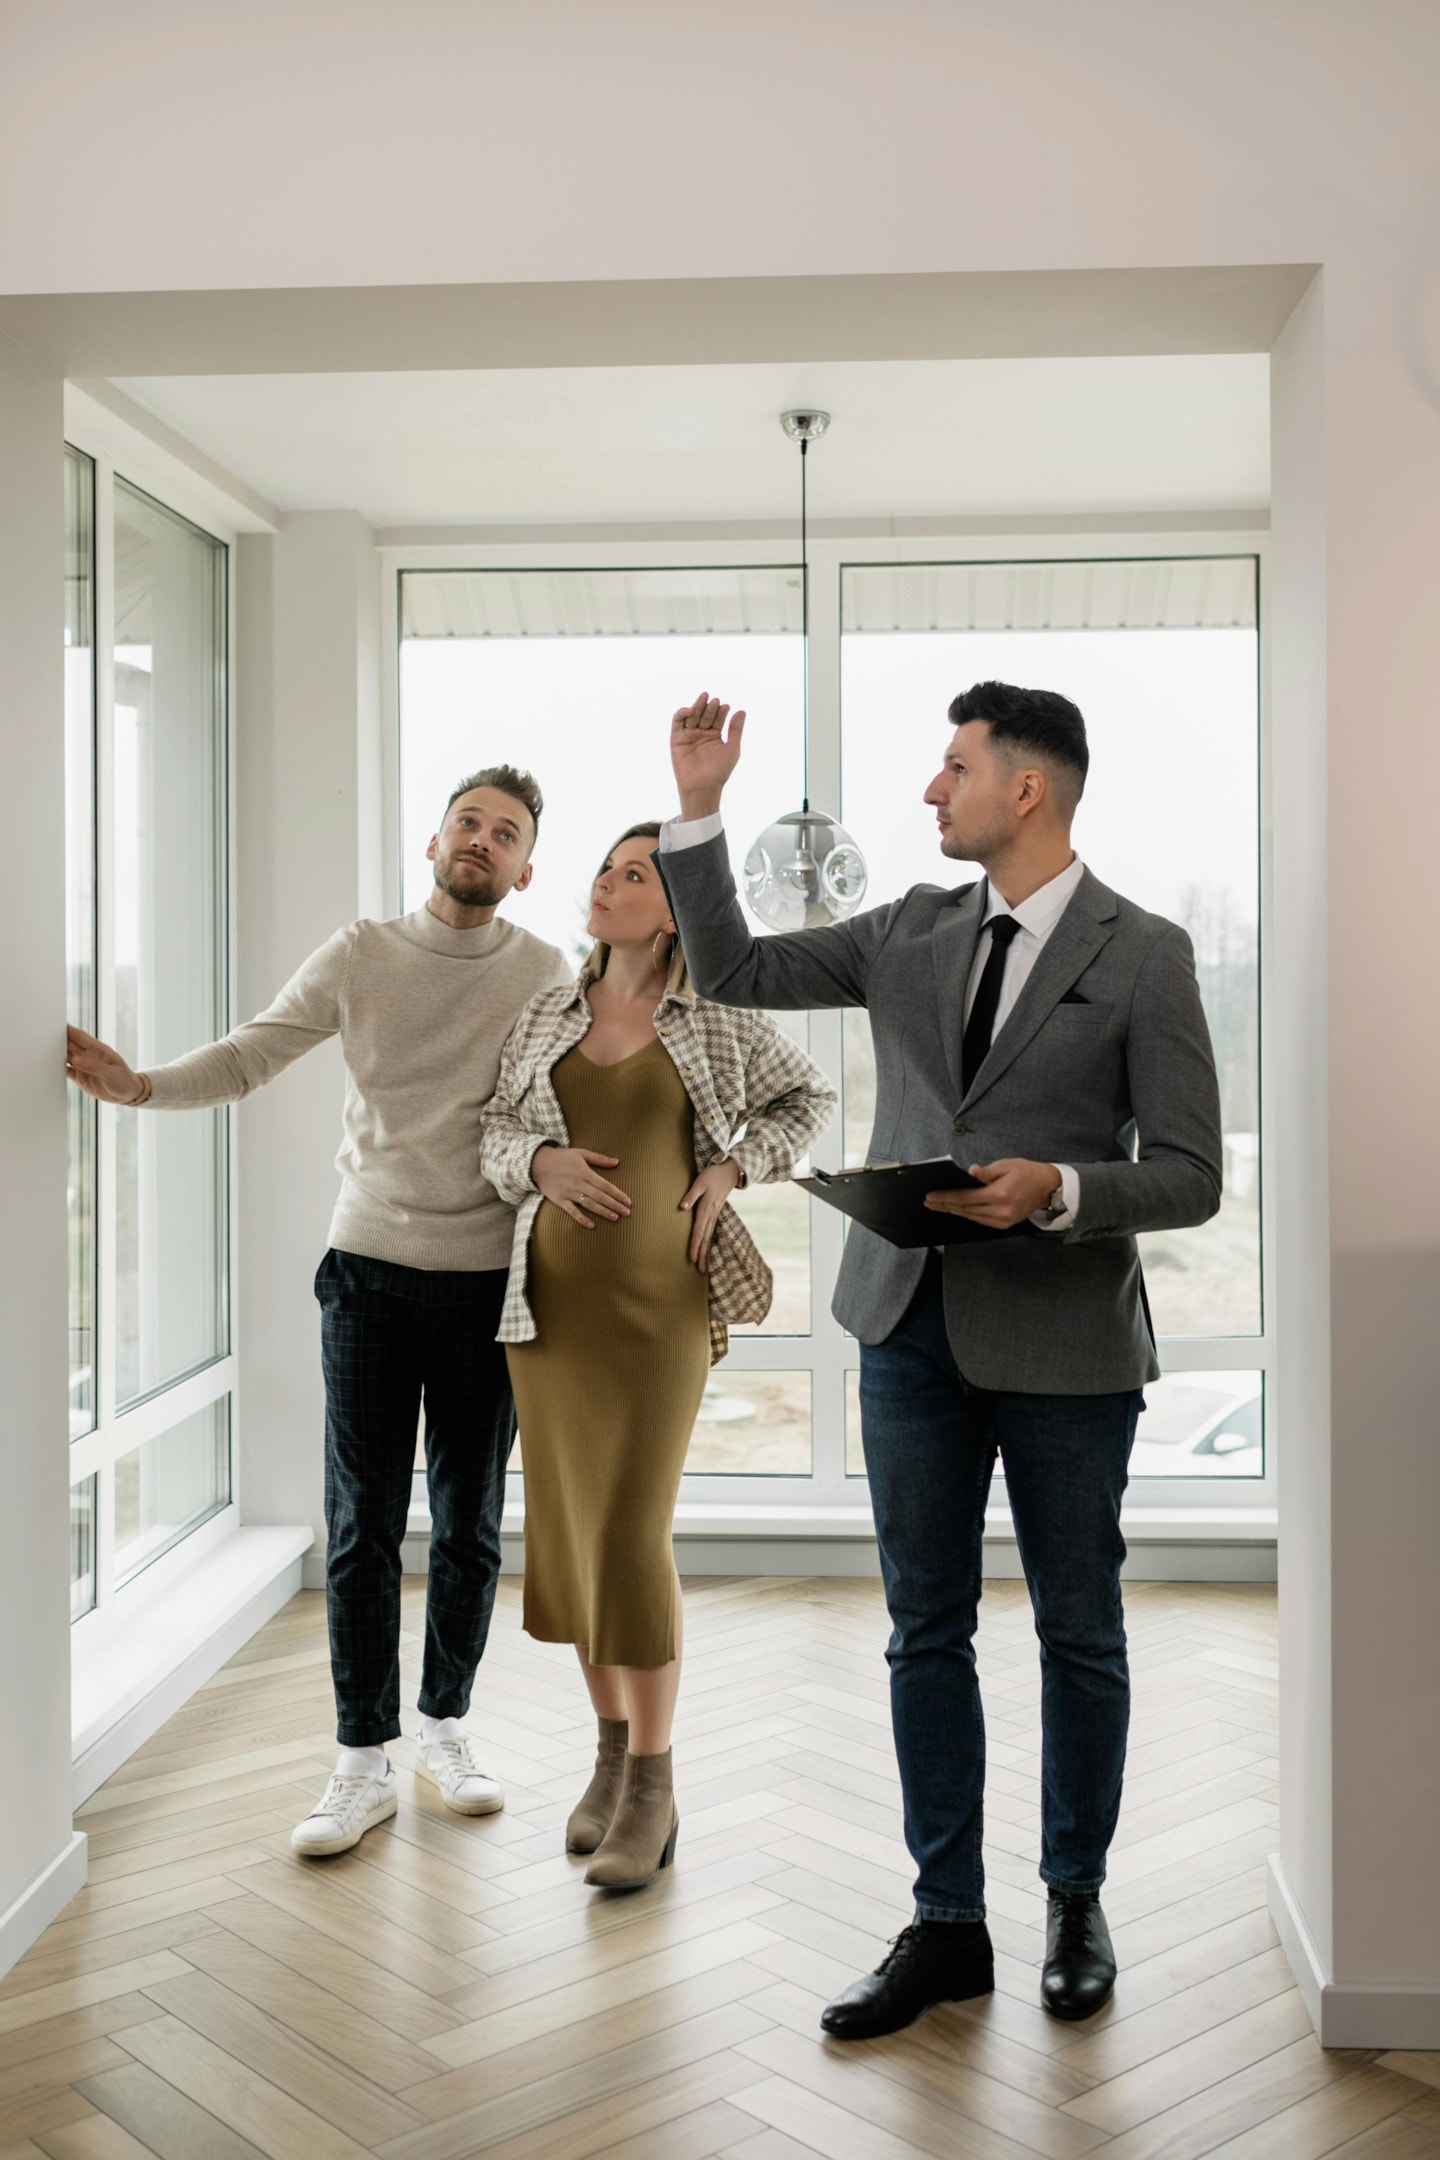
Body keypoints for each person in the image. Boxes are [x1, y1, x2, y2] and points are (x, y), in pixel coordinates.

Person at [658, 685, 1223, 2030]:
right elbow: (737, 970)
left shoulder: (1145, 954)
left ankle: (1075, 1902)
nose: (930, 791)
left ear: (1024, 790)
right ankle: (947, 1924)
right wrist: (698, 811)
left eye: (952, 767)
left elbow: (1192, 1173)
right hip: (908, 1327)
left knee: (1080, 1634)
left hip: (1070, 1344)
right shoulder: (907, 928)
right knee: (926, 1629)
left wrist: (1062, 1190)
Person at [65, 767, 571, 1858]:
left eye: (505, 834)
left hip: (490, 1281)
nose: (481, 841)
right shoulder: (362, 954)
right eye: (467, 823)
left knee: (473, 1525)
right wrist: (139, 1084)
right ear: (434, 842)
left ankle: (445, 1727)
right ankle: (360, 1759)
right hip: (370, 1272)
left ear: (527, 870)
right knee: (362, 1526)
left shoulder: (544, 974)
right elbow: (253, 1054)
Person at [479, 822, 835, 1891]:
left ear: (674, 906)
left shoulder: (718, 1019)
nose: (604, 885)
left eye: (632, 875)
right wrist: (537, 1159)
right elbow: (494, 1134)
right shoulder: (545, 1010)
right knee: (574, 1539)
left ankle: (655, 1782)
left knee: (631, 1535)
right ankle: (605, 1760)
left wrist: (731, 1170)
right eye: (602, 870)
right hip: (546, 1325)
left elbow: (808, 1102)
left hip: (662, 1317)